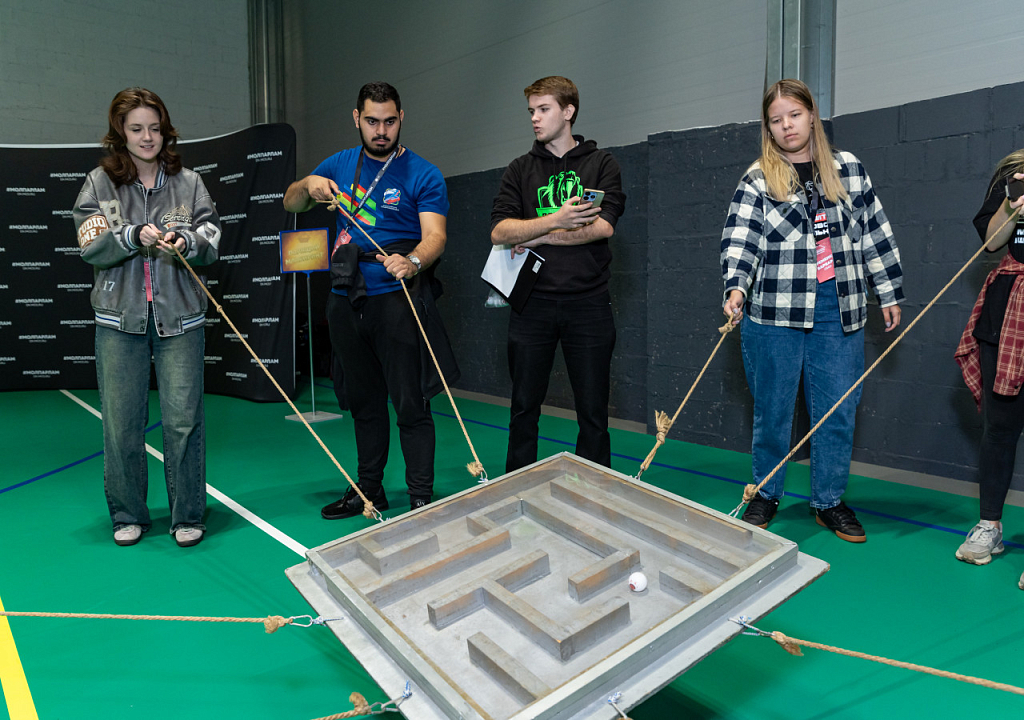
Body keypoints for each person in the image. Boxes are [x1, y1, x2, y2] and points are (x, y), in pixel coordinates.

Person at [721, 78, 904, 542]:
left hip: (838, 309)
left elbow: (874, 231)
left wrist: (887, 290)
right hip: (773, 311)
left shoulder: (849, 170)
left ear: (812, 115)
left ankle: (828, 501)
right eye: (776, 120)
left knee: (837, 411)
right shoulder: (758, 178)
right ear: (768, 128)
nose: (787, 126)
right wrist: (736, 287)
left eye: (794, 115)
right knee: (773, 412)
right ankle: (765, 493)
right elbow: (742, 238)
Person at [284, 81, 450, 519]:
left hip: (397, 299)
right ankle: (368, 491)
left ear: (401, 118)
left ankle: (420, 497)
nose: (381, 131)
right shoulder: (339, 164)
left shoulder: (423, 173)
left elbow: (435, 236)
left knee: (411, 403)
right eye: (372, 121)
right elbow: (291, 202)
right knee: (365, 404)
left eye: (390, 121)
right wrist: (309, 183)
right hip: (345, 298)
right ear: (357, 118)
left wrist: (413, 261)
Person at [74, 87, 221, 548]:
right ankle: (127, 514)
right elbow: (89, 244)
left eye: (154, 128)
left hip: (182, 322)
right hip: (118, 323)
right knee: (121, 425)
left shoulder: (190, 183)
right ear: (120, 132)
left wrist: (188, 242)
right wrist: (131, 235)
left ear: (165, 131)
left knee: (184, 422)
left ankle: (187, 515)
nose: (147, 137)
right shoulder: (98, 183)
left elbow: (212, 237)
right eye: (136, 129)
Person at [490, 76, 626, 473]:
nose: (534, 118)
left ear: (568, 112)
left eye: (543, 109)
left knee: (593, 412)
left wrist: (536, 235)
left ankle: (594, 490)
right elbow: (499, 231)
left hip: (589, 304)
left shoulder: (602, 164)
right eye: (531, 111)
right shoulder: (519, 170)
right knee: (523, 408)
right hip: (531, 305)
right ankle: (517, 484)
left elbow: (603, 227)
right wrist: (556, 220)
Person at [954, 149, 1024, 590]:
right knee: (999, 428)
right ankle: (990, 525)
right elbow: (993, 242)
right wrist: (1014, 202)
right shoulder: (1012, 172)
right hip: (1007, 312)